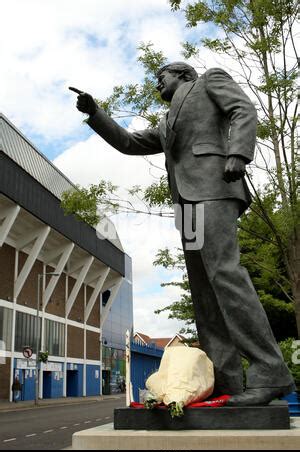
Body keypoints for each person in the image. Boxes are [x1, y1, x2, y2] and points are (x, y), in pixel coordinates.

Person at [70, 62, 295, 406]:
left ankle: (271, 372)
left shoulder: (208, 82)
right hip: (186, 204)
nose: (157, 81)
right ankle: (227, 381)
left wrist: (238, 153)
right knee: (204, 292)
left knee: (225, 274)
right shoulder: (165, 122)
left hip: (214, 188)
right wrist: (96, 113)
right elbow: (129, 143)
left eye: (162, 75)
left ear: (183, 74)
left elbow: (242, 109)